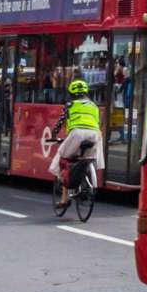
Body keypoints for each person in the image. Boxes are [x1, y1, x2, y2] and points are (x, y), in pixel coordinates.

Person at [45, 78, 102, 213]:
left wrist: (53, 135)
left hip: (77, 134)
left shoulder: (70, 105)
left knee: (62, 160)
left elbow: (60, 122)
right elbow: (97, 123)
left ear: (71, 94)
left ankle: (65, 199)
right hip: (94, 135)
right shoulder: (94, 106)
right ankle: (86, 180)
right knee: (86, 158)